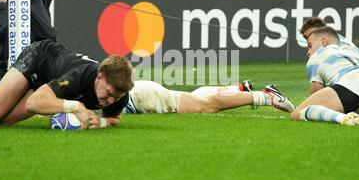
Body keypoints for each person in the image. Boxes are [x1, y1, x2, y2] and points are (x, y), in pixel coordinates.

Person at [0, 39, 133, 130]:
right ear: (100, 77)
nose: (110, 100)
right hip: (37, 59)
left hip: (46, 86)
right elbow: (33, 102)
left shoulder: (119, 91)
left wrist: (100, 122)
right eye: (108, 93)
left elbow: (115, 118)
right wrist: (75, 106)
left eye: (115, 97)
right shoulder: (79, 77)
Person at [123, 80, 295, 115]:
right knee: (194, 98)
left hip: (140, 99)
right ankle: (237, 89)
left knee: (205, 106)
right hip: (140, 93)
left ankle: (266, 97)